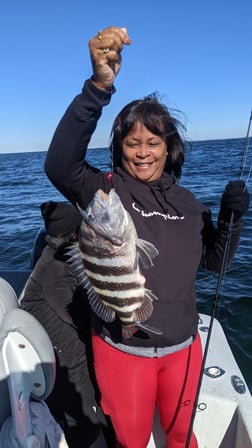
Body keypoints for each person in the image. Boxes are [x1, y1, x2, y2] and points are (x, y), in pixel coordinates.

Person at [44, 26, 250, 448]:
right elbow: (59, 164)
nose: (142, 152)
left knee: (180, 436)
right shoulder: (105, 189)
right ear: (119, 148)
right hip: (124, 352)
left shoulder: (190, 202)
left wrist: (232, 218)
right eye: (132, 143)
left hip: (185, 349)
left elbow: (217, 261)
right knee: (132, 440)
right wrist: (99, 87)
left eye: (152, 142)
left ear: (168, 146)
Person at [20, 201, 113, 448]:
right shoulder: (57, 270)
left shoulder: (53, 257)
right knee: (89, 425)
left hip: (62, 355)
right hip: (66, 366)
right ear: (75, 234)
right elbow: (82, 319)